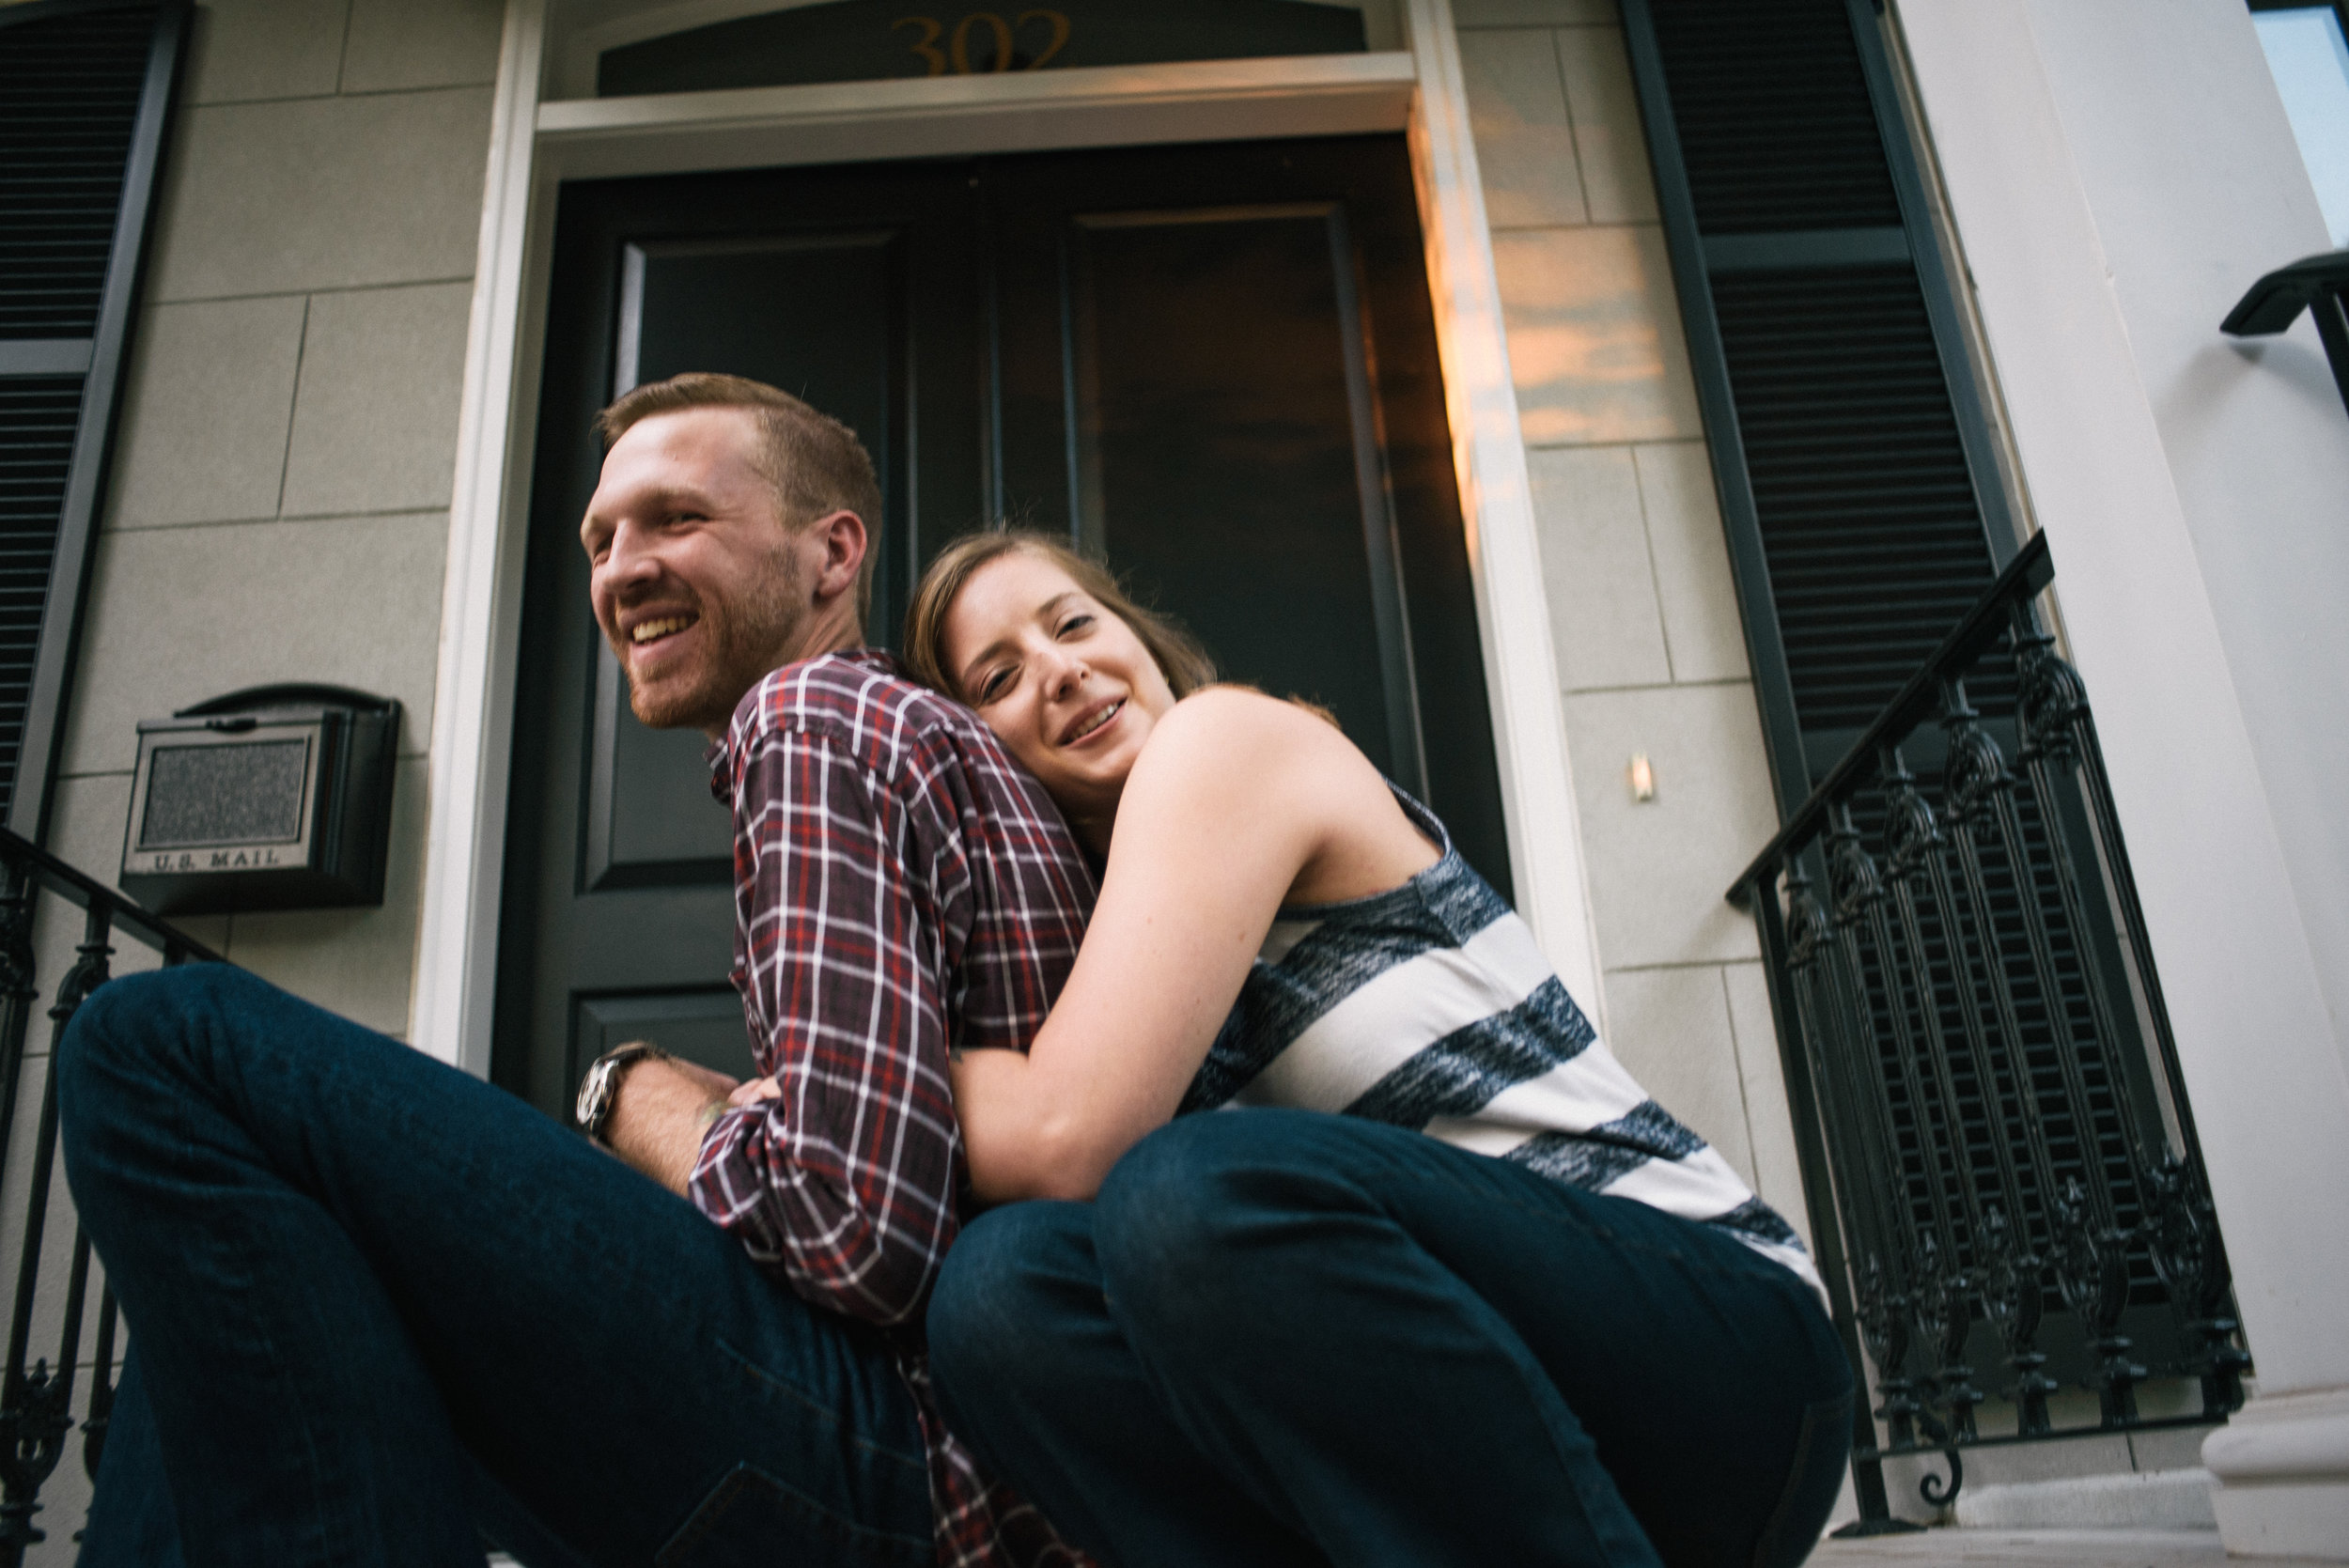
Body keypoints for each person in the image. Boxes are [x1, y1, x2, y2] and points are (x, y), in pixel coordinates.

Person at [58, 376, 1094, 1567]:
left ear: (831, 553)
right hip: (941, 1446)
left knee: (153, 1043)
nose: (620, 569)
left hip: (911, 1463)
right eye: (601, 540)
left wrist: (634, 1095)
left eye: (675, 520)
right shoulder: (909, 738)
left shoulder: (812, 718)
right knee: (239, 1284)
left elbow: (856, 1231)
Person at [898, 530, 1856, 1568]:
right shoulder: (1092, 960)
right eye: (997, 678)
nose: (1060, 669)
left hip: (1720, 1362)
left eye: (1074, 621)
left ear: (1136, 634)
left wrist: (859, 1071)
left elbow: (1062, 1136)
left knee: (1182, 1192)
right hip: (1486, 1454)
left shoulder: (1223, 743)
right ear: (971, 747)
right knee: (1000, 1294)